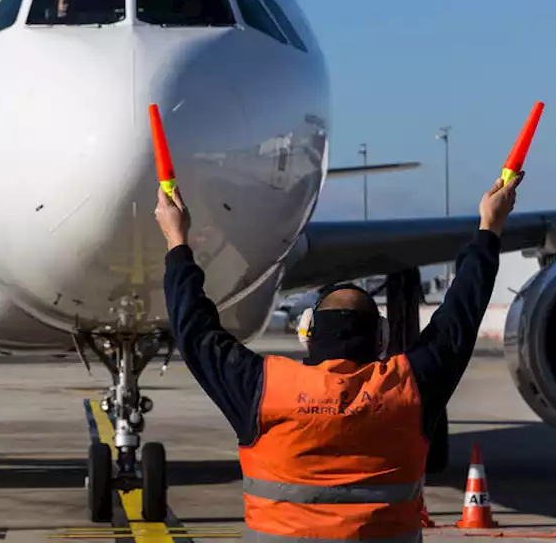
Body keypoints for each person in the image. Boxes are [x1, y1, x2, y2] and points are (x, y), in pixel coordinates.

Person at [153, 172, 523, 542]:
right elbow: (461, 314)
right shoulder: (407, 388)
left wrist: (177, 239)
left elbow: (194, 329)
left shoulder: (265, 389)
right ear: (380, 337)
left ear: (308, 332)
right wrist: (490, 226)